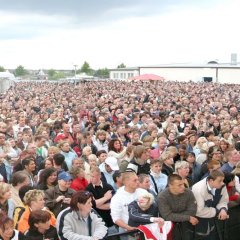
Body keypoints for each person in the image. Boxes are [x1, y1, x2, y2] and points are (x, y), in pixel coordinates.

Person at [158, 174, 198, 240]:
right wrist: (188, 217)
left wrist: (176, 216)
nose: (183, 187)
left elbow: (192, 211)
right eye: (179, 185)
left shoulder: (188, 193)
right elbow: (167, 216)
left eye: (183, 184)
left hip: (187, 225)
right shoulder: (162, 197)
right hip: (170, 227)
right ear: (170, 186)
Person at [192, 170, 229, 239]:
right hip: (200, 223)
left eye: (223, 180)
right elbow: (198, 211)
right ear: (211, 181)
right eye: (219, 181)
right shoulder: (198, 189)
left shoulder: (222, 186)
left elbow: (224, 200)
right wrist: (217, 211)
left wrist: (223, 209)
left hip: (213, 220)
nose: (222, 183)